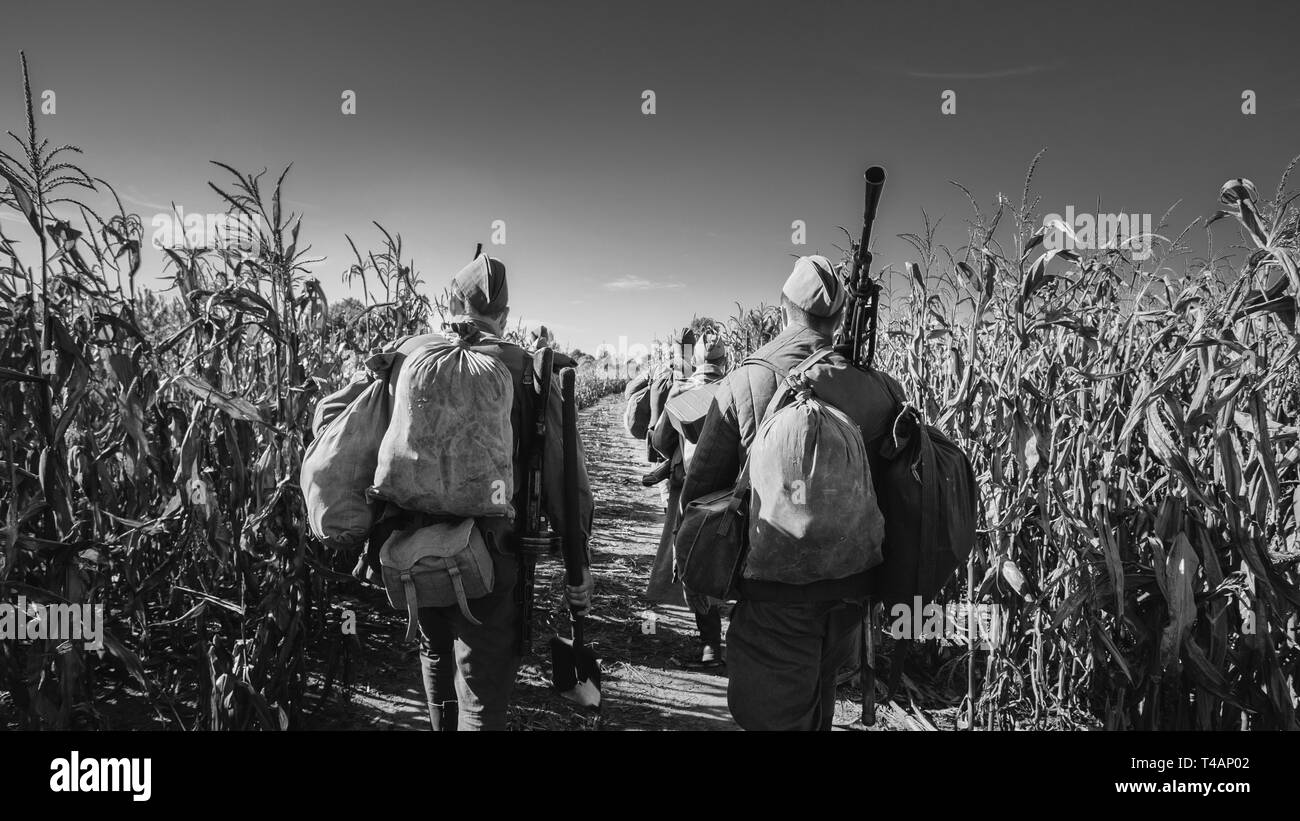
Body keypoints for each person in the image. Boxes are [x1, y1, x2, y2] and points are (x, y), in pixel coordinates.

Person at [370, 253, 595, 731]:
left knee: (434, 654)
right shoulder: (525, 368)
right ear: (506, 315)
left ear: (451, 303)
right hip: (493, 557)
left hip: (412, 549)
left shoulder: (410, 358)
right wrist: (580, 559)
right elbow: (564, 478)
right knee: (481, 686)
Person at [680, 255, 901, 731]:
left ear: (784, 313)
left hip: (773, 597)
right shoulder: (878, 388)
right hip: (850, 595)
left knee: (776, 716)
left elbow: (701, 491)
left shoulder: (747, 380)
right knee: (818, 701)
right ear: (840, 319)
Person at [645, 329, 728, 666]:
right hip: (731, 493)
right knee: (728, 560)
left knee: (691, 560)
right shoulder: (737, 389)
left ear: (695, 362)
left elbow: (661, 444)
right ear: (725, 362)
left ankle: (710, 645)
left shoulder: (681, 394)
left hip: (688, 494)